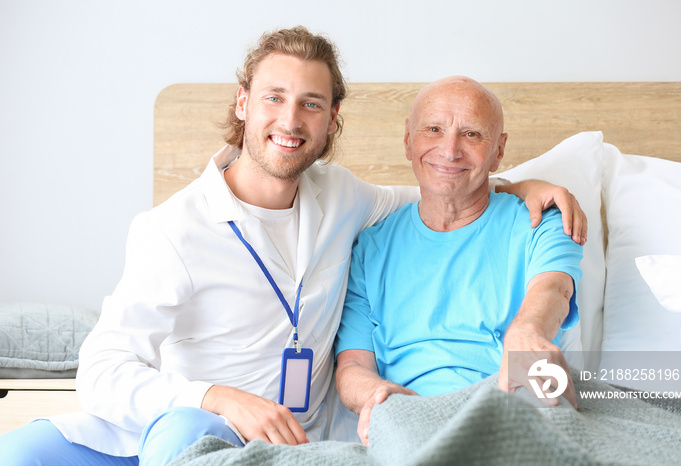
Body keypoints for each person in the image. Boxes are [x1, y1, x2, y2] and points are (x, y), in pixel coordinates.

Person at [0, 27, 586, 466]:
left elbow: (443, 185)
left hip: (295, 432)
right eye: (274, 97)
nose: (291, 119)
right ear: (243, 104)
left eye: (311, 103)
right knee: (20, 452)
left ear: (332, 119)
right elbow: (101, 371)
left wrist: (521, 184)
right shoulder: (172, 229)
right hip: (192, 413)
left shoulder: (344, 197)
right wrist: (220, 397)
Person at [334, 76, 584, 446]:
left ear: (499, 150)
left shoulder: (543, 218)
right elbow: (353, 366)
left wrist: (526, 332)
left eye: (471, 135)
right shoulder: (370, 247)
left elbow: (554, 289)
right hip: (413, 416)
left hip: (513, 397)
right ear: (408, 139)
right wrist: (377, 396)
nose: (449, 150)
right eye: (433, 129)